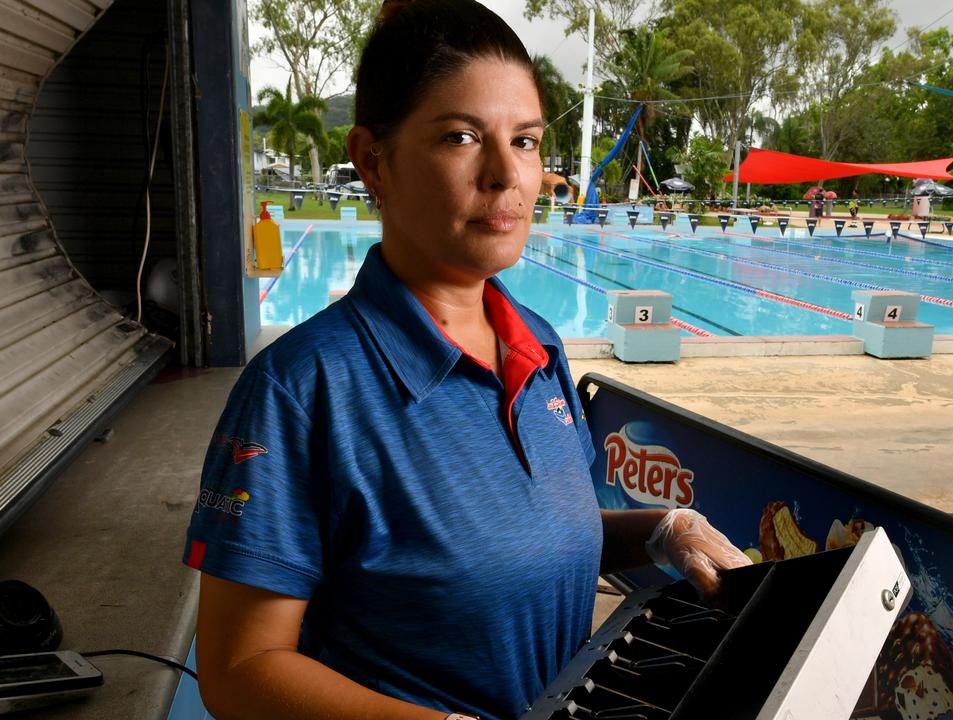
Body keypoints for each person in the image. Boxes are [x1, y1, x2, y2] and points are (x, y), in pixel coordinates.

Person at [182, 2, 751, 720]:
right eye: (461, 137)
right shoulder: (302, 390)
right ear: (372, 160)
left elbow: (530, 539)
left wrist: (661, 529)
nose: (505, 174)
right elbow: (240, 670)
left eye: (527, 141)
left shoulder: (538, 344)